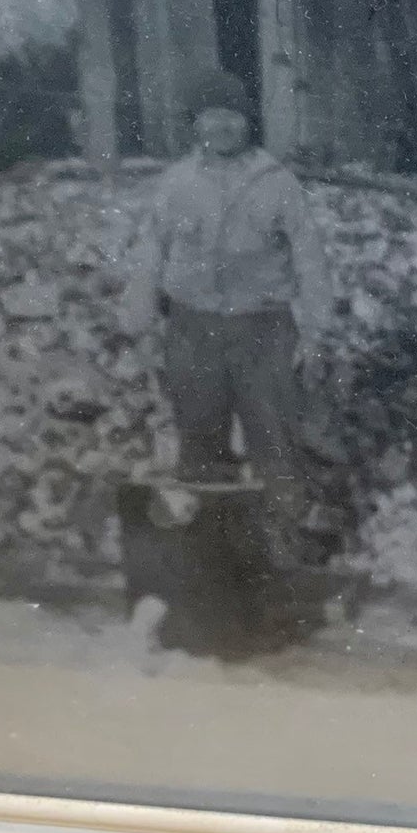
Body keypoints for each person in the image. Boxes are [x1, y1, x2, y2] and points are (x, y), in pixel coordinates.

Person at [120, 67, 334, 563]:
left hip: (264, 330)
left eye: (233, 116)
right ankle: (210, 559)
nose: (223, 126)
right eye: (212, 116)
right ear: (195, 124)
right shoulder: (176, 184)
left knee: (276, 441)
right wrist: (139, 323)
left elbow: (310, 259)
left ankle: (285, 555)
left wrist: (318, 330)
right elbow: (150, 254)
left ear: (247, 123)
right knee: (198, 442)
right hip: (193, 331)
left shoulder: (277, 183)